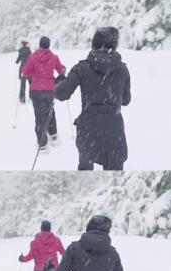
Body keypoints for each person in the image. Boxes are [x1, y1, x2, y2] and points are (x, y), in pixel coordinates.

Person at [55, 27, 131, 170]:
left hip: (89, 128)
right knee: (114, 168)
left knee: (85, 167)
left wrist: (59, 81)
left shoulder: (82, 67)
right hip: (113, 128)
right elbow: (126, 100)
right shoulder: (122, 69)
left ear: (95, 44)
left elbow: (61, 94)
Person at [21, 36, 65, 152]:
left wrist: (29, 70)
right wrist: (62, 69)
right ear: (49, 45)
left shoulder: (33, 57)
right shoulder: (54, 57)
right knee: (50, 111)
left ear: (40, 45)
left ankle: (42, 144)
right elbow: (60, 71)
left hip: (36, 91)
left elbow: (25, 72)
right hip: (49, 90)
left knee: (39, 116)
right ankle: (53, 135)